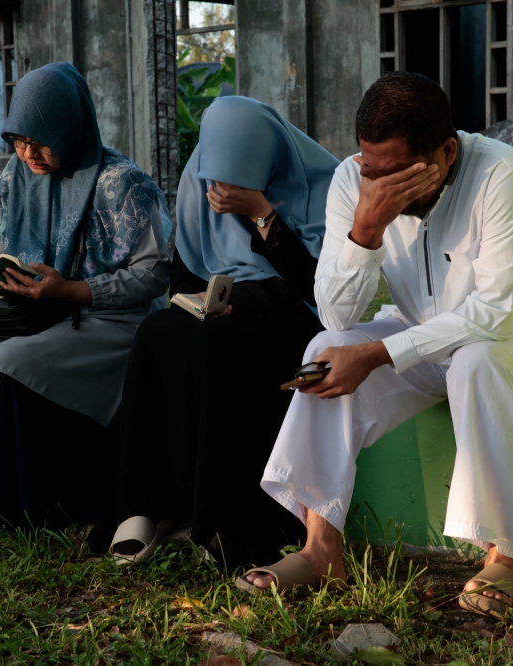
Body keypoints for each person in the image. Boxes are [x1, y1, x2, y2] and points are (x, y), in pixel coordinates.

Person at [238, 73, 513, 617]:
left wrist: (379, 354)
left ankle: (503, 562)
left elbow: (496, 312)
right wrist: (365, 230)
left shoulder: (501, 173)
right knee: (326, 348)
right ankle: (321, 550)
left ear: (445, 152)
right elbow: (337, 313)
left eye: (396, 174)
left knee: (476, 361)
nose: (379, 185)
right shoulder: (355, 179)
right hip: (424, 330)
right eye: (370, 169)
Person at [0, 62, 171, 550]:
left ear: (70, 127)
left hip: (105, 320)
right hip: (29, 315)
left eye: (40, 140)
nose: (27, 153)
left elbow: (155, 274)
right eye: (17, 140)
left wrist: (73, 292)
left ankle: (26, 511)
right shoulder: (16, 177)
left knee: (14, 364)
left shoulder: (124, 185)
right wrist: (1, 289)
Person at [109, 96, 340, 569]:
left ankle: (226, 519)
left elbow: (317, 288)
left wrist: (261, 212)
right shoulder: (200, 179)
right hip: (223, 310)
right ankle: (147, 504)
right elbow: (186, 270)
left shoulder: (324, 186)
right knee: (157, 332)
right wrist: (202, 302)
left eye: (235, 180)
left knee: (228, 347)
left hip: (293, 313)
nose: (219, 190)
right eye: (215, 178)